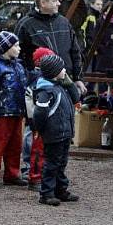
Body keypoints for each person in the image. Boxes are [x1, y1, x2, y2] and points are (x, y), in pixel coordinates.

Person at [15, 0, 86, 95]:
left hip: (66, 81)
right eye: (55, 1)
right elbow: (17, 58)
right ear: (43, 3)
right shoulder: (25, 25)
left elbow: (75, 52)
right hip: (40, 85)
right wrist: (28, 79)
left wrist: (78, 78)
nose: (59, 3)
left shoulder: (64, 22)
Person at [33, 54, 79, 206]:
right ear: (54, 72)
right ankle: (46, 193)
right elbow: (40, 113)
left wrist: (69, 82)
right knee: (52, 164)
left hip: (64, 132)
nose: (65, 70)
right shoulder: (46, 91)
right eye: (61, 69)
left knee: (61, 163)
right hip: (54, 133)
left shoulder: (60, 86)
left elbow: (76, 98)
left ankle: (60, 190)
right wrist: (38, 129)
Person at [0, 31, 28, 188]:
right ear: (6, 48)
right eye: (15, 45)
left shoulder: (19, 66)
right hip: (2, 114)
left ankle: (12, 174)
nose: (19, 48)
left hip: (18, 113)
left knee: (16, 145)